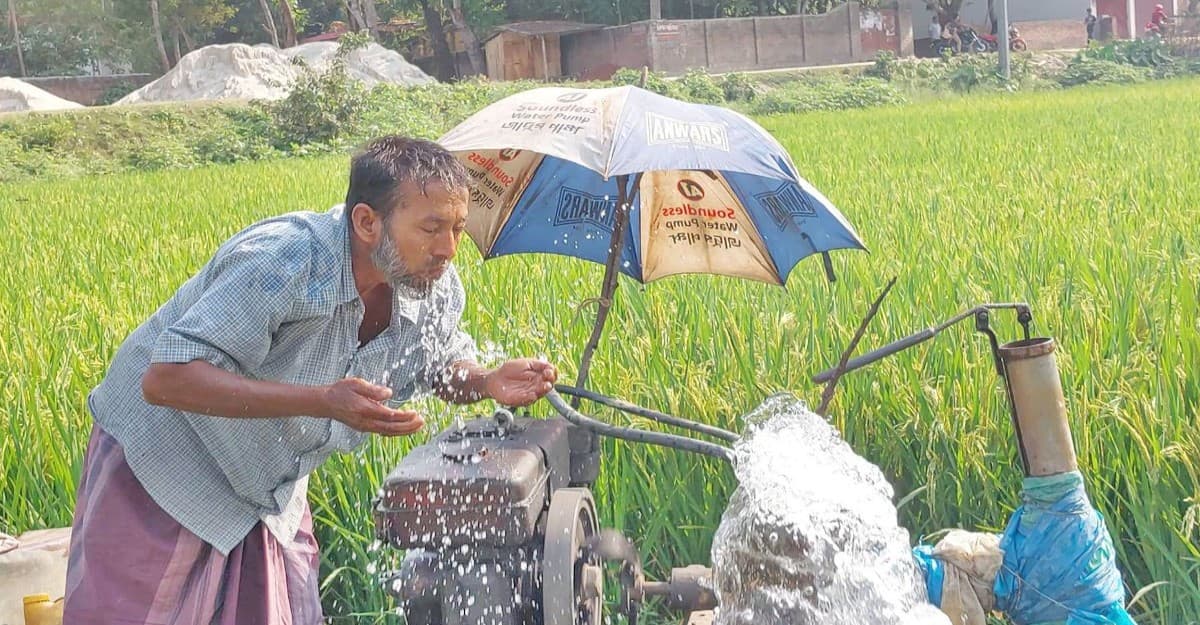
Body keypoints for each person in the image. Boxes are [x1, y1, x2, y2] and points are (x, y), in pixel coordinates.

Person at [61, 135, 559, 625]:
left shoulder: (432, 286)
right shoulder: (283, 262)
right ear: (367, 221)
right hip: (167, 463)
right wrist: (322, 401)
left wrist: (488, 380)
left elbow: (439, 366)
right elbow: (167, 379)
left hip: (266, 481)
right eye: (431, 228)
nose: (448, 249)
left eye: (457, 228)